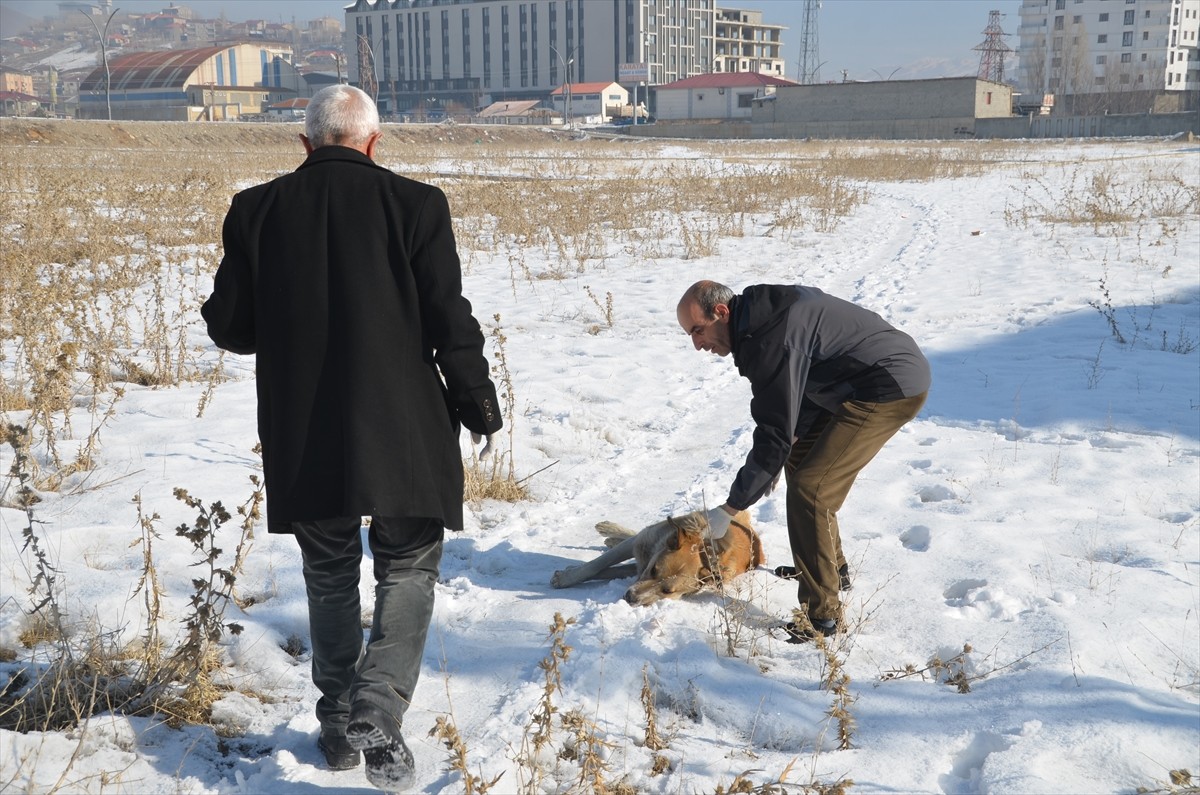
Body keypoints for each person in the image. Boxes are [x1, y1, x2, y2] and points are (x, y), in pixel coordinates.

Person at [201, 84, 502, 790]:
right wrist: (479, 405)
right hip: (403, 423)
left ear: (305, 143)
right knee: (409, 565)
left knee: (329, 570)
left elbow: (232, 327)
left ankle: (339, 726)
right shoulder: (417, 205)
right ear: (374, 141)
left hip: (304, 425)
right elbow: (448, 317)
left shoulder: (255, 210)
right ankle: (379, 704)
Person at [676, 280, 930, 643]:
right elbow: (797, 390)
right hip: (847, 383)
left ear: (721, 312)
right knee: (800, 459)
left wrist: (731, 508)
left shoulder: (770, 337)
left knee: (812, 490)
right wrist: (785, 445)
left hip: (888, 384)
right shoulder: (760, 321)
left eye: (697, 330)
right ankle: (829, 569)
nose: (697, 344)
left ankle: (821, 618)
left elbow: (773, 431)